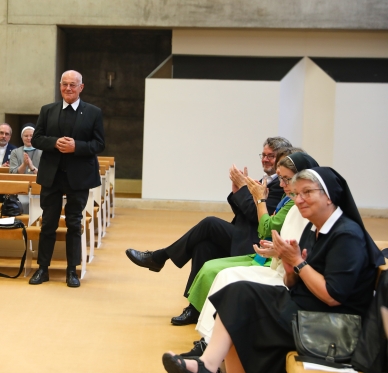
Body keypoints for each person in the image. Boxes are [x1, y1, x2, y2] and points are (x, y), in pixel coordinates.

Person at [162, 167, 384, 373]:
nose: (299, 200)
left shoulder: (347, 236)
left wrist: (298, 262)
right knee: (235, 293)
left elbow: (332, 296)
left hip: (330, 324)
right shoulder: (314, 227)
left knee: (240, 308)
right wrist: (290, 269)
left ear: (329, 196)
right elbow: (295, 282)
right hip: (305, 308)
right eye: (297, 193)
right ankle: (208, 364)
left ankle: (206, 365)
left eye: (307, 192)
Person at [126, 137, 292, 325]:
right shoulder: (265, 181)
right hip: (242, 234)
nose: (265, 159)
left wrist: (244, 190)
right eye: (264, 155)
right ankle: (194, 308)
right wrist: (238, 191)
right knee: (203, 246)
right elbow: (244, 213)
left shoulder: (281, 186)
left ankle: (160, 257)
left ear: (281, 158)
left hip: (255, 243)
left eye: (271, 156)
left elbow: (257, 217)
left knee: (210, 223)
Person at [181, 150, 318, 356]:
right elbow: (268, 230)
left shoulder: (296, 204)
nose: (282, 184)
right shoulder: (290, 201)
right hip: (271, 259)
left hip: (281, 271)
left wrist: (259, 199)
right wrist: (277, 250)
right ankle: (207, 340)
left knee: (211, 231)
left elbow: (266, 228)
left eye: (287, 179)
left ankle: (209, 347)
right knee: (212, 257)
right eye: (281, 178)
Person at [29, 70, 105, 288]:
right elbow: (36, 139)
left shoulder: (93, 112)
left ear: (81, 87)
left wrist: (76, 146)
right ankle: (42, 269)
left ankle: (72, 270)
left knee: (74, 223)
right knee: (48, 223)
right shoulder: (47, 110)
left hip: (79, 176)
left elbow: (99, 144)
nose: (68, 88)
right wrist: (54, 143)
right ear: (60, 86)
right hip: (52, 176)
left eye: (73, 84)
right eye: (65, 84)